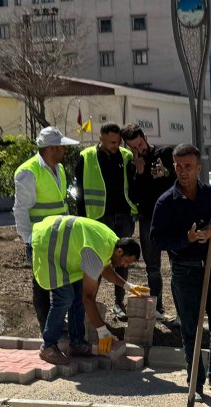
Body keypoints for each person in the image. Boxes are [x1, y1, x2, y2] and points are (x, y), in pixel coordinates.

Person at [151, 144, 211, 397]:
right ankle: (195, 380)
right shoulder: (166, 202)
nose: (183, 171)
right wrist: (185, 239)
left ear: (199, 167)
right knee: (190, 329)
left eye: (188, 167)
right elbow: (157, 239)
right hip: (184, 272)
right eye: (178, 166)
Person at [31, 214, 143, 365]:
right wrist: (102, 331)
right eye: (126, 262)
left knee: (77, 294)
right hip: (49, 244)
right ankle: (48, 346)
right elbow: (88, 298)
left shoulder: (111, 242)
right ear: (120, 252)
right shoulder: (96, 252)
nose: (125, 266)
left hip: (62, 244)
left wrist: (128, 286)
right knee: (65, 297)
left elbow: (104, 267)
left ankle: (77, 344)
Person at [13, 126, 80, 332]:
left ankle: (57, 322)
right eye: (61, 147)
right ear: (51, 148)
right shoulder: (28, 172)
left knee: (60, 281)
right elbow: (21, 209)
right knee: (42, 284)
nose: (64, 151)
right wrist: (29, 239)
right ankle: (46, 327)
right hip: (40, 239)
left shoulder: (58, 169)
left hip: (59, 237)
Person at [78, 122, 137, 321]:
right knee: (97, 262)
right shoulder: (86, 157)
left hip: (123, 215)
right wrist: (81, 219)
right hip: (98, 219)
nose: (116, 145)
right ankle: (90, 302)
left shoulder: (126, 156)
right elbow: (79, 192)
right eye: (111, 142)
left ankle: (119, 303)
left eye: (118, 141)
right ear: (101, 138)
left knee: (123, 260)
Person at [122, 123, 177, 320]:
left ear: (145, 137)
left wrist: (167, 173)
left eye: (140, 145)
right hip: (148, 219)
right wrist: (139, 173)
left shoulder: (165, 153)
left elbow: (180, 179)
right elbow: (134, 196)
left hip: (171, 218)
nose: (138, 150)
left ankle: (181, 311)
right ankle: (157, 309)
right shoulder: (132, 165)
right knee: (152, 268)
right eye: (133, 148)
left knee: (176, 264)